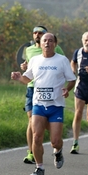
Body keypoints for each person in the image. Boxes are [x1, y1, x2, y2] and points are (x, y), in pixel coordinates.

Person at [11, 32, 76, 175]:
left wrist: (68, 89)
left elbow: (71, 79)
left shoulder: (62, 60)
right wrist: (18, 77)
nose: (47, 43)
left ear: (55, 44)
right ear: (40, 44)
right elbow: (28, 78)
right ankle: (39, 168)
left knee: (55, 141)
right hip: (39, 104)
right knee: (37, 136)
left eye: (50, 41)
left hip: (56, 105)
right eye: (44, 41)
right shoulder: (35, 60)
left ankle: (58, 152)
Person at [19, 25, 65, 164]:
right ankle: (32, 152)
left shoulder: (55, 49)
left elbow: (61, 64)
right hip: (33, 88)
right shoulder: (29, 50)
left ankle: (56, 144)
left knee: (46, 125)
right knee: (32, 121)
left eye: (41, 33)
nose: (38, 35)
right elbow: (28, 65)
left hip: (51, 89)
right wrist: (24, 67)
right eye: (35, 33)